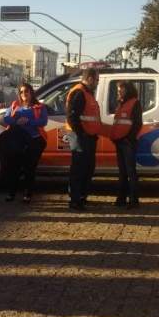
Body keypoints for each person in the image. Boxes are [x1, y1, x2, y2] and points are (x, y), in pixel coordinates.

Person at [1, 82, 48, 203]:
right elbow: (6, 118)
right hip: (17, 140)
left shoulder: (40, 106)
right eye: (21, 92)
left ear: (31, 92)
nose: (24, 94)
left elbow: (43, 121)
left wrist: (28, 121)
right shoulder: (15, 105)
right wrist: (17, 122)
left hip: (34, 140)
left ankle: (27, 194)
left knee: (29, 168)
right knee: (14, 167)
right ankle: (11, 193)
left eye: (26, 91)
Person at [66, 68, 101, 211]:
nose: (98, 82)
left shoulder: (87, 93)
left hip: (88, 137)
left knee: (87, 168)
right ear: (91, 79)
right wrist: (82, 134)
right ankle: (75, 200)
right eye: (97, 80)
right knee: (79, 169)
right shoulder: (79, 92)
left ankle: (81, 197)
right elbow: (72, 117)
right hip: (80, 137)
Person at [108, 80, 143, 208]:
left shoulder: (134, 103)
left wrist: (129, 138)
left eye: (120, 89)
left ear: (127, 90)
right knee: (122, 172)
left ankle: (134, 200)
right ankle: (121, 199)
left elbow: (137, 123)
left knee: (130, 172)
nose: (119, 92)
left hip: (128, 142)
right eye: (118, 90)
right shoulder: (121, 104)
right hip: (120, 141)